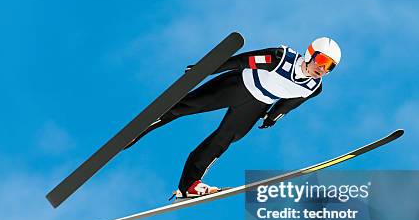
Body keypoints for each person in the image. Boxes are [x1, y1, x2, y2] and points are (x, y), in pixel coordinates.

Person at [126, 37, 342, 198]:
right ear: (310, 53)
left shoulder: (314, 87)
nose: (322, 69)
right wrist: (205, 71)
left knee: (223, 140)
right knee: (185, 107)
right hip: (237, 86)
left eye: (329, 66)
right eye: (322, 60)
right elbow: (241, 61)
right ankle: (137, 131)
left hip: (256, 106)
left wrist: (273, 117)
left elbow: (291, 102)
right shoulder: (280, 58)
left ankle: (189, 185)